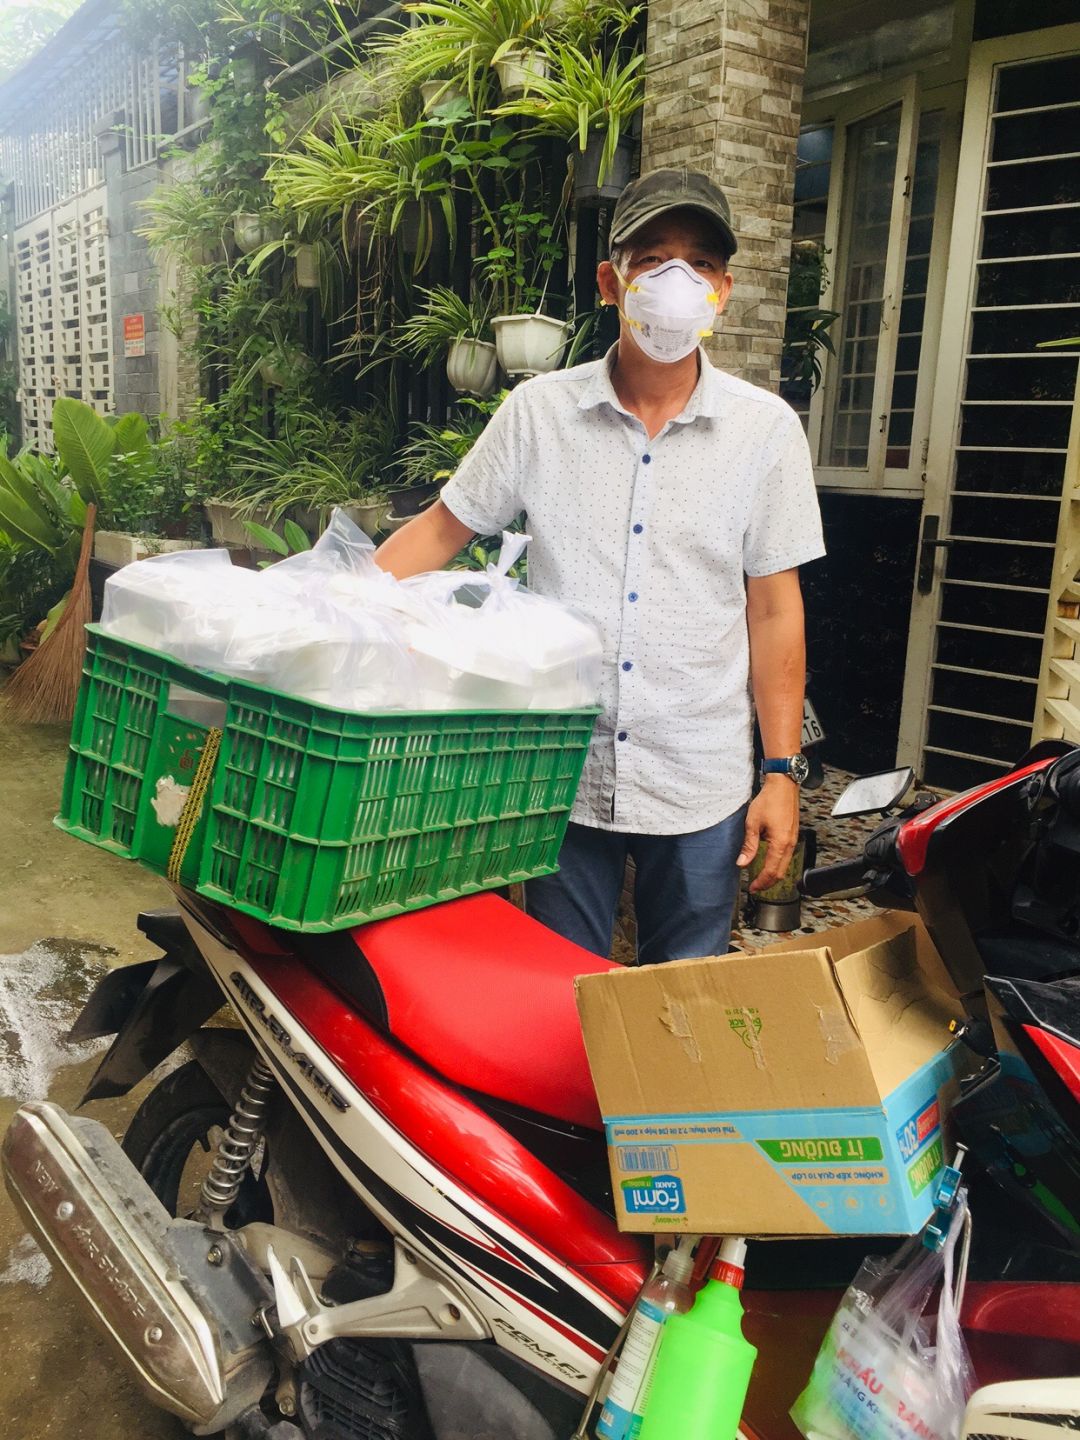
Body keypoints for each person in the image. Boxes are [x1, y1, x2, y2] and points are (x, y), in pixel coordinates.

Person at [376, 166, 825, 962]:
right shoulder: (540, 414)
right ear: (610, 282)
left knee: (683, 995)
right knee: (559, 988)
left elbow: (774, 608)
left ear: (723, 290)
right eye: (652, 259)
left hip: (699, 777)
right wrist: (325, 612)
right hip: (562, 774)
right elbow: (442, 530)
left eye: (700, 263)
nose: (677, 281)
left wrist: (781, 771)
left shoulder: (765, 432)